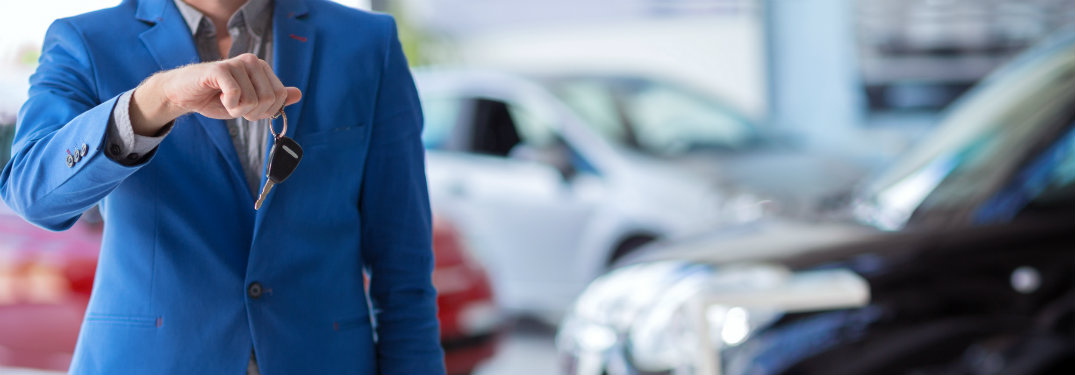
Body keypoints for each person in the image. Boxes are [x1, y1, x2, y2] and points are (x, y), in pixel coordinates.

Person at [0, 0, 445, 373]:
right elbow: (33, 194)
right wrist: (156, 100)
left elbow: (403, 269)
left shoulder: (367, 42)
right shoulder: (87, 41)